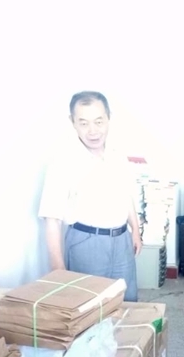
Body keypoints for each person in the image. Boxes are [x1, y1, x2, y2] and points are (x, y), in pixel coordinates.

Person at [38, 91, 142, 301]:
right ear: (73, 122)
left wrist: (135, 230)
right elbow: (52, 220)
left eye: (98, 121)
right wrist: (58, 269)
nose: (93, 131)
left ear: (109, 118)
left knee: (127, 302)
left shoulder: (117, 156)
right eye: (84, 123)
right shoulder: (63, 162)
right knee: (88, 307)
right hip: (86, 243)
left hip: (122, 241)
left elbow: (126, 195)